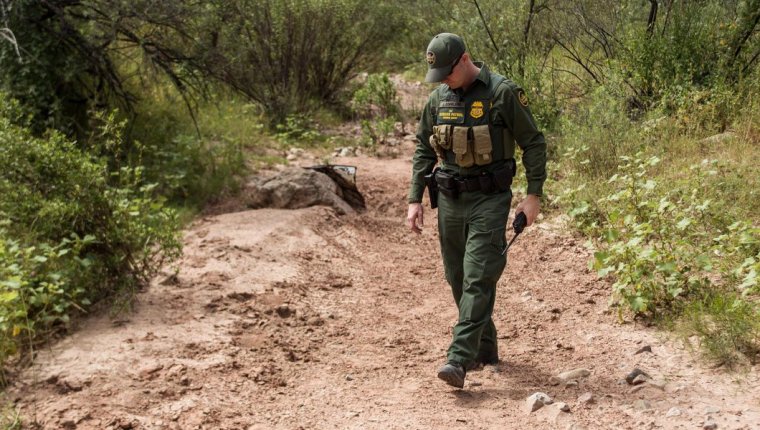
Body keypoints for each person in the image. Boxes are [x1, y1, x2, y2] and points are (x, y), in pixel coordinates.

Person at [406, 33, 547, 389]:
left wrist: (533, 195)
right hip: (450, 200)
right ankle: (485, 348)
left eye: (448, 73)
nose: (444, 82)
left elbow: (533, 142)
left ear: (465, 59)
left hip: (490, 198)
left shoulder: (503, 93)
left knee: (478, 275)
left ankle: (459, 358)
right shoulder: (438, 98)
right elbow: (424, 149)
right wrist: (414, 199)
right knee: (457, 278)